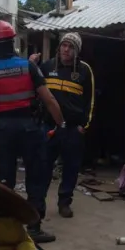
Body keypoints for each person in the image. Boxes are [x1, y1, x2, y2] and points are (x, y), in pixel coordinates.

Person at [0, 20, 66, 244]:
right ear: (13, 41)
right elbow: (49, 99)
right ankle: (34, 227)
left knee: (5, 181)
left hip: (3, 130)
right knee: (36, 176)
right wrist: (60, 125)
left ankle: (7, 230)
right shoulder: (28, 67)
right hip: (30, 129)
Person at [29, 33, 94, 219]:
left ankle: (64, 202)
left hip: (73, 129)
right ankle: (38, 203)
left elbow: (91, 101)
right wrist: (31, 64)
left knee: (71, 168)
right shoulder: (47, 66)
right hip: (49, 127)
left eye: (71, 47)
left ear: (77, 50)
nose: (66, 49)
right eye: (64, 45)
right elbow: (34, 89)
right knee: (43, 167)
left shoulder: (84, 70)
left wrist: (84, 126)